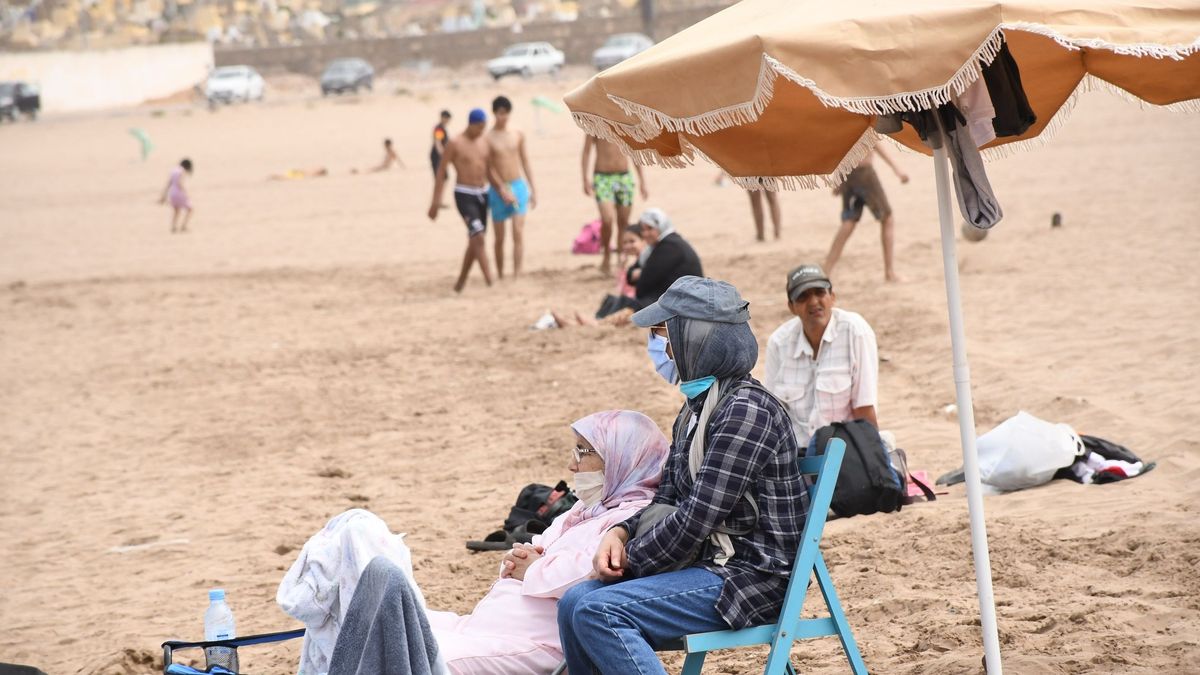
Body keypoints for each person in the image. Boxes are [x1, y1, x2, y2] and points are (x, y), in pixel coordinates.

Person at [281, 410, 670, 674]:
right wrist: (527, 563)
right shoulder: (585, 509)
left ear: (621, 459)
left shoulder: (630, 520)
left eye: (583, 453)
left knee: (376, 573)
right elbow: (529, 553)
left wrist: (535, 569)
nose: (572, 465)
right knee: (360, 607)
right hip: (477, 627)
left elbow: (589, 575)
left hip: (528, 644)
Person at [558, 276, 808, 675]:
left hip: (747, 577)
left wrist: (631, 563)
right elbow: (666, 498)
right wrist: (620, 533)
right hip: (708, 566)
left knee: (597, 611)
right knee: (574, 602)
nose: (666, 350)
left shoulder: (746, 410)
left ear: (697, 338)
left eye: (666, 334)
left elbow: (697, 518)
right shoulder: (695, 409)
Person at [763, 263, 879, 449]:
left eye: (820, 292)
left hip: (845, 452)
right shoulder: (778, 343)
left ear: (832, 297)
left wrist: (873, 458)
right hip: (795, 456)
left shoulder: (855, 331)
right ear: (791, 307)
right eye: (803, 296)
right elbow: (772, 414)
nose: (814, 301)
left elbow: (864, 409)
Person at [428, 108, 495, 293]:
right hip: (464, 193)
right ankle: (490, 282)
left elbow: (488, 170)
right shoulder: (445, 133)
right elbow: (438, 150)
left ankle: (460, 283)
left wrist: (502, 191)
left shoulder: (483, 142)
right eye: (479, 127)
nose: (482, 131)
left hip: (483, 192)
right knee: (479, 236)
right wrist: (435, 203)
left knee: (475, 240)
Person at [823, 145, 909, 282]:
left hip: (848, 173)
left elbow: (841, 143)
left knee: (849, 222)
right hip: (864, 174)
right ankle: (890, 272)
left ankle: (826, 271)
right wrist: (897, 169)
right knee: (887, 219)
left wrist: (838, 176)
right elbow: (874, 141)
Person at [551, 224, 652, 328]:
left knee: (621, 300)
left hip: (638, 304)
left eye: (632, 241)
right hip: (632, 302)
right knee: (611, 299)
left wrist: (623, 270)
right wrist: (622, 268)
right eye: (625, 243)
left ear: (644, 241)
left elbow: (629, 289)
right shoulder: (635, 263)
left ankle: (592, 323)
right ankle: (590, 321)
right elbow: (622, 288)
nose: (628, 246)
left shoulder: (648, 261)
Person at [486, 96, 537, 279]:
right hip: (498, 189)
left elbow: (525, 161)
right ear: (494, 114)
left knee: (518, 231)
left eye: (506, 114)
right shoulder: (488, 137)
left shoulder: (517, 133)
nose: (503, 117)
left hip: (518, 185)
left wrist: (533, 189)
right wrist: (501, 189)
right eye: (500, 114)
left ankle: (517, 273)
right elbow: (488, 167)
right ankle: (500, 273)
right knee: (499, 237)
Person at [582, 135, 649, 274]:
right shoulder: (594, 122)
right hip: (602, 177)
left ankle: (621, 256)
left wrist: (642, 180)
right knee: (607, 220)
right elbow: (586, 151)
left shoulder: (623, 121)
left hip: (624, 176)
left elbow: (634, 151)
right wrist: (584, 178)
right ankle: (606, 253)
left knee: (623, 222)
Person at [634, 208, 703, 307]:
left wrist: (639, 274)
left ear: (661, 226)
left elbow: (643, 286)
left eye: (650, 228)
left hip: (687, 304)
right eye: (642, 229)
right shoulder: (665, 244)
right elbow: (636, 274)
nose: (645, 234)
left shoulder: (669, 247)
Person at [159, 158, 193, 234]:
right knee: (190, 209)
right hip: (179, 192)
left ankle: (173, 227)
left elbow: (169, 183)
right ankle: (183, 226)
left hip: (172, 192)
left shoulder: (173, 170)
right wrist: (186, 193)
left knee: (176, 210)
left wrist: (164, 195)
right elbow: (180, 183)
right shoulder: (182, 171)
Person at [431, 110, 451, 176]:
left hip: (440, 155)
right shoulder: (439, 129)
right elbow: (438, 142)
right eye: (447, 118)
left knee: (444, 176)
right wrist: (442, 155)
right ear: (443, 117)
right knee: (440, 176)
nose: (448, 121)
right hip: (437, 155)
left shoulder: (442, 128)